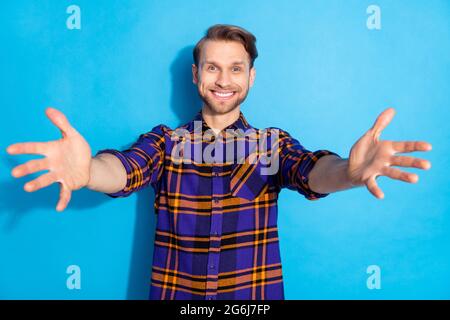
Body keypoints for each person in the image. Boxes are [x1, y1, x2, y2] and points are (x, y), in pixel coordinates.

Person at [6, 24, 432, 300]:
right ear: (195, 75)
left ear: (251, 77)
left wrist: (349, 174)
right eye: (212, 67)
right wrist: (87, 174)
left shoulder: (272, 144)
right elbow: (123, 168)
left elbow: (311, 172)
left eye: (235, 68)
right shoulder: (165, 142)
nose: (223, 80)